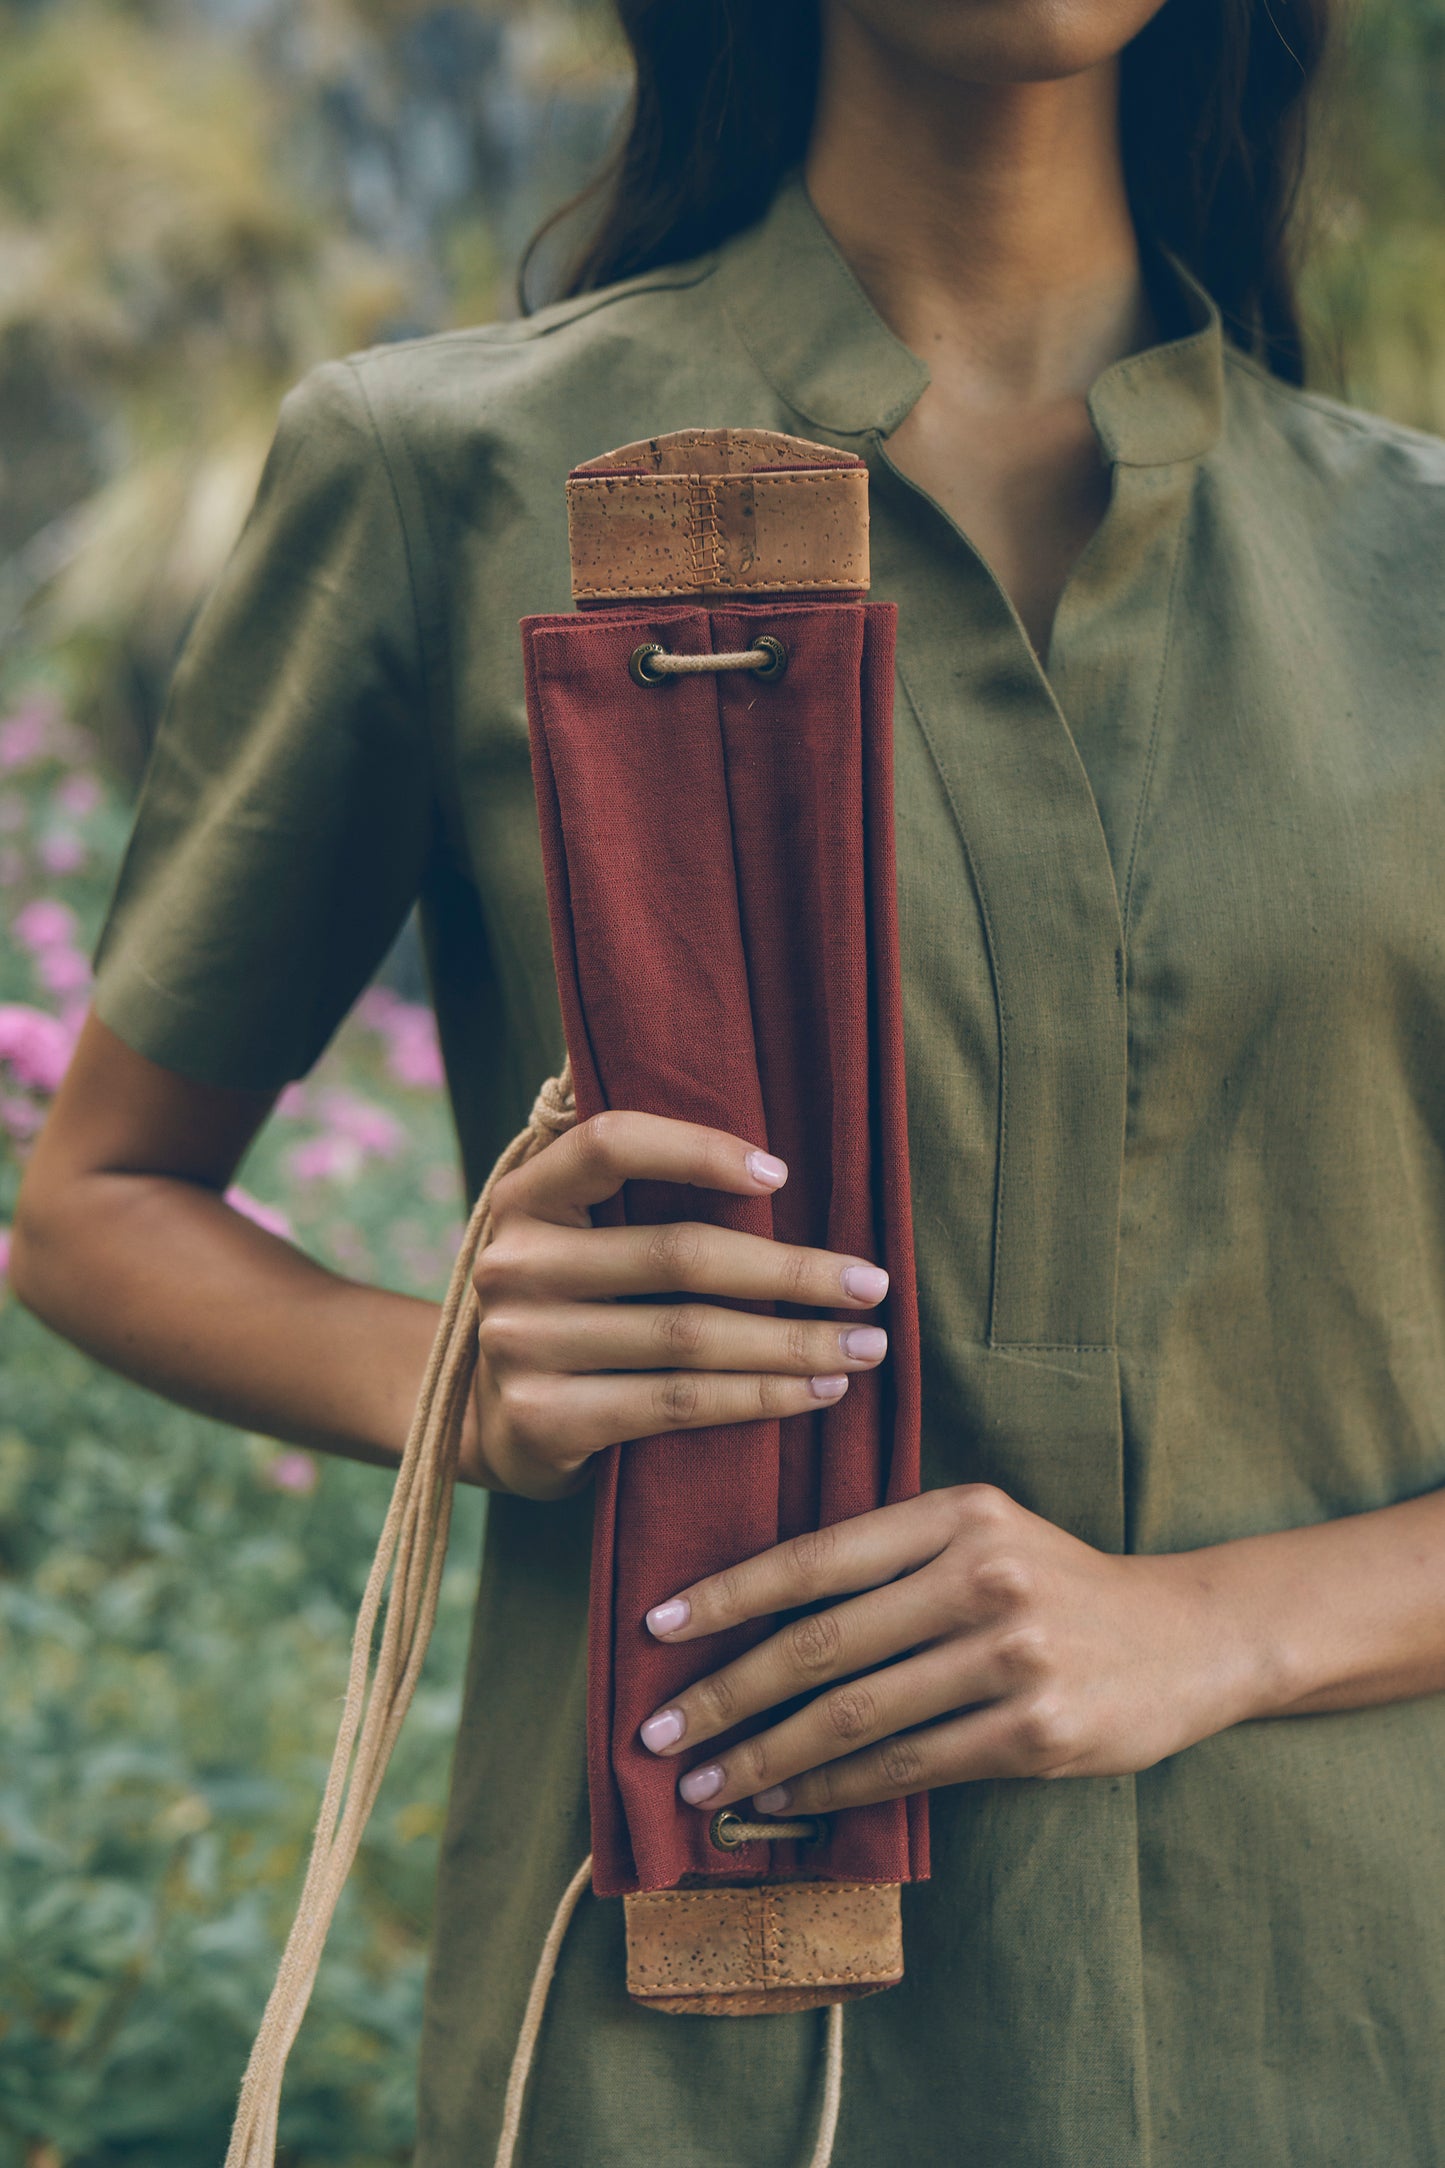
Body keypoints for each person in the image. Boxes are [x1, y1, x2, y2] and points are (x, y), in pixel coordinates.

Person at [13, 0, 1445, 2161]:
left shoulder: (1416, 569)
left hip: (1350, 2014)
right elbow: (97, 1205)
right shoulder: (451, 479)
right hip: (700, 2053)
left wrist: (1207, 1632)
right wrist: (461, 1387)